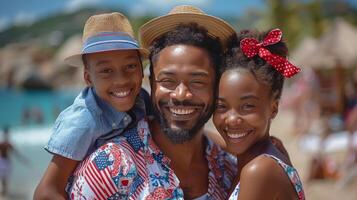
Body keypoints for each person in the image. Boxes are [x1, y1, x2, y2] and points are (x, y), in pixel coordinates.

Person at [67, 5, 238, 199]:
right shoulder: (109, 169)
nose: (181, 95)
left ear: (216, 86)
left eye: (198, 81)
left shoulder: (229, 167)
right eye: (168, 81)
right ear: (151, 83)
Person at [34, 12, 149, 200]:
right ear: (88, 78)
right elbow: (46, 192)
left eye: (130, 66)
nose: (121, 80)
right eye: (106, 71)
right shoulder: (83, 121)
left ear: (141, 68)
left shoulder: (142, 98)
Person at [212, 29, 305, 199]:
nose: (232, 119)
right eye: (221, 106)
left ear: (274, 108)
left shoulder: (259, 171)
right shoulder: (270, 153)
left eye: (247, 106)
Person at [0, 126, 29, 197]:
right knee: (4, 177)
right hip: (3, 161)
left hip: (5, 161)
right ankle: (4, 191)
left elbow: (17, 154)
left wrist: (24, 160)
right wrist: (24, 160)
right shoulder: (4, 144)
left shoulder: (7, 144)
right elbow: (17, 154)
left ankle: (4, 191)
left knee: (5, 177)